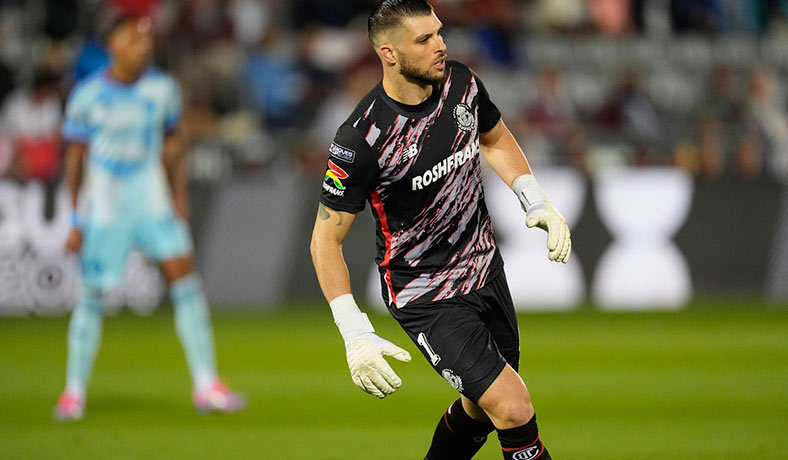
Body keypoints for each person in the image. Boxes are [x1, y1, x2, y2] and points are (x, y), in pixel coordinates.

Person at [309, 2, 571, 459]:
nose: (440, 46)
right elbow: (325, 239)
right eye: (424, 39)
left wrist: (534, 198)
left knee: (480, 410)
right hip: (426, 293)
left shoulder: (462, 84)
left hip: (486, 270)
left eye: (439, 33)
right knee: (512, 407)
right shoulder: (362, 138)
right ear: (389, 53)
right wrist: (353, 330)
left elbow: (493, 136)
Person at [54, 14, 245, 421]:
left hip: (153, 201)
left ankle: (206, 384)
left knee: (186, 282)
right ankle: (73, 391)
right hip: (106, 208)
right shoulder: (87, 96)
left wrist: (178, 194)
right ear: (113, 46)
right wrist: (74, 218)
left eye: (145, 40)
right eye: (134, 39)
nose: (144, 46)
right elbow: (74, 159)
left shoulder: (162, 89)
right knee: (91, 295)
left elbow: (175, 140)